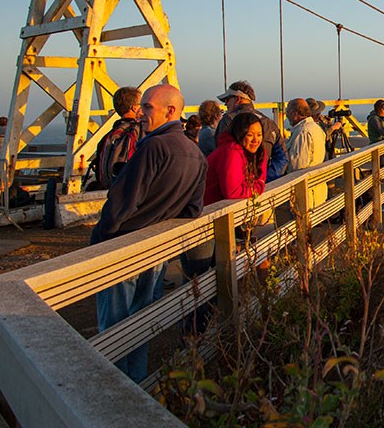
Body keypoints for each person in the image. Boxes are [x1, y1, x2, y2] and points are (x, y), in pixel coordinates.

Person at [90, 84, 207, 383]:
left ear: (170, 111)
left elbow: (121, 203)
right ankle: (137, 383)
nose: (141, 113)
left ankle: (116, 390)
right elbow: (193, 210)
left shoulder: (153, 147)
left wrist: (99, 241)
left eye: (147, 107)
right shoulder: (196, 154)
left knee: (113, 327)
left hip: (123, 248)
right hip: (156, 252)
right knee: (140, 324)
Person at [182, 111, 268, 334]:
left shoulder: (243, 152)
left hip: (213, 221)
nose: (256, 139)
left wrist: (258, 177)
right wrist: (258, 186)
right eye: (250, 134)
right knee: (199, 283)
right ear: (239, 133)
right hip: (200, 224)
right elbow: (233, 191)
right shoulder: (231, 151)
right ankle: (192, 339)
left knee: (209, 282)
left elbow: (251, 181)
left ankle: (201, 336)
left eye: (259, 134)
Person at [215, 80, 287, 181]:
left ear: (237, 99)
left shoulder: (228, 120)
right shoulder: (269, 122)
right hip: (266, 183)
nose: (226, 104)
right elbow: (282, 156)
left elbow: (222, 154)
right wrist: (265, 179)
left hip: (239, 184)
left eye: (227, 99)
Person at [88, 86, 144, 189]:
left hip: (111, 188)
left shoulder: (109, 136)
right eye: (142, 104)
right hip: (132, 188)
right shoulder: (141, 131)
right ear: (134, 108)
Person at [285, 99, 329, 206]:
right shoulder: (315, 128)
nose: (286, 116)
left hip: (306, 193)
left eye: (287, 112)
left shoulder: (303, 132)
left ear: (295, 114)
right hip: (317, 188)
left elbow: (297, 166)